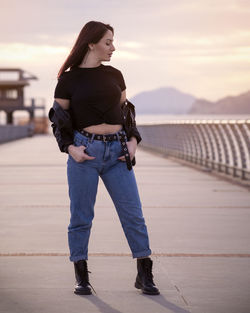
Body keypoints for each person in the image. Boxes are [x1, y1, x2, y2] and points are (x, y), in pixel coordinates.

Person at [50, 20, 160, 296]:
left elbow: (127, 113)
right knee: (81, 216)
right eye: (108, 42)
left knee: (133, 214)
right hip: (84, 153)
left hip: (118, 153)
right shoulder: (68, 79)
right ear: (91, 43)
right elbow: (58, 119)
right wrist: (70, 149)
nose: (113, 47)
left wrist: (133, 141)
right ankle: (81, 274)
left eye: (113, 41)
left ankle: (144, 272)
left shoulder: (115, 75)